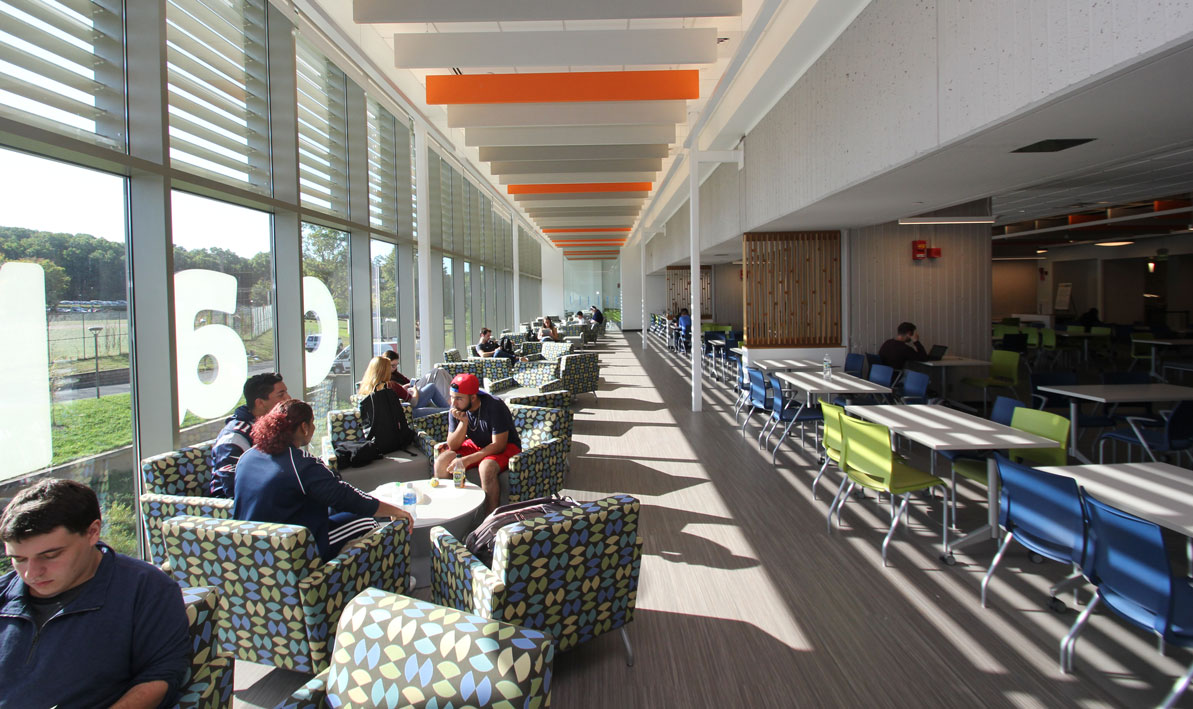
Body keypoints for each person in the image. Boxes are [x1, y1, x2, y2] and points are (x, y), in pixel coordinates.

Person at [1, 479, 190, 708]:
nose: (31, 573)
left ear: (92, 532)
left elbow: (158, 679)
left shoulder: (146, 590)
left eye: (50, 556)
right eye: (19, 559)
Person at [233, 399, 412, 561]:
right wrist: (395, 511)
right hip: (296, 551)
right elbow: (345, 497)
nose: (313, 428)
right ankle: (351, 578)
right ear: (303, 427)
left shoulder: (247, 457)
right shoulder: (299, 464)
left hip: (250, 550)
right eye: (312, 424)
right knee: (366, 521)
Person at [433, 373, 522, 513]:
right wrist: (463, 423)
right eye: (451, 397)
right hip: (477, 444)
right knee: (442, 460)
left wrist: (466, 460)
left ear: (473, 397)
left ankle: (491, 518)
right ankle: (452, 510)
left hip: (507, 446)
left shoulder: (494, 406)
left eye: (458, 398)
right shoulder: (457, 409)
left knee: (486, 467)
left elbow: (499, 445)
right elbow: (453, 446)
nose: (453, 403)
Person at [211, 372, 290, 498]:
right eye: (281, 394)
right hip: (235, 509)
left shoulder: (272, 426)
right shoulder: (234, 437)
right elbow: (232, 488)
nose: (288, 398)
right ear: (260, 403)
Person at [357, 357, 416, 453]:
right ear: (385, 372)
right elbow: (412, 403)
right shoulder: (389, 389)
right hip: (392, 440)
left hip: (374, 440)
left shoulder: (364, 391)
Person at [381, 350, 450, 417]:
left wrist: (409, 385)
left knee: (440, 372)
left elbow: (407, 382)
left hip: (408, 397)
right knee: (436, 372)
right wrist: (413, 390)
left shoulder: (391, 377)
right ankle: (451, 403)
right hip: (410, 403)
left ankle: (455, 395)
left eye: (396, 365)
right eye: (393, 366)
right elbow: (413, 402)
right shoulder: (390, 384)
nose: (395, 368)